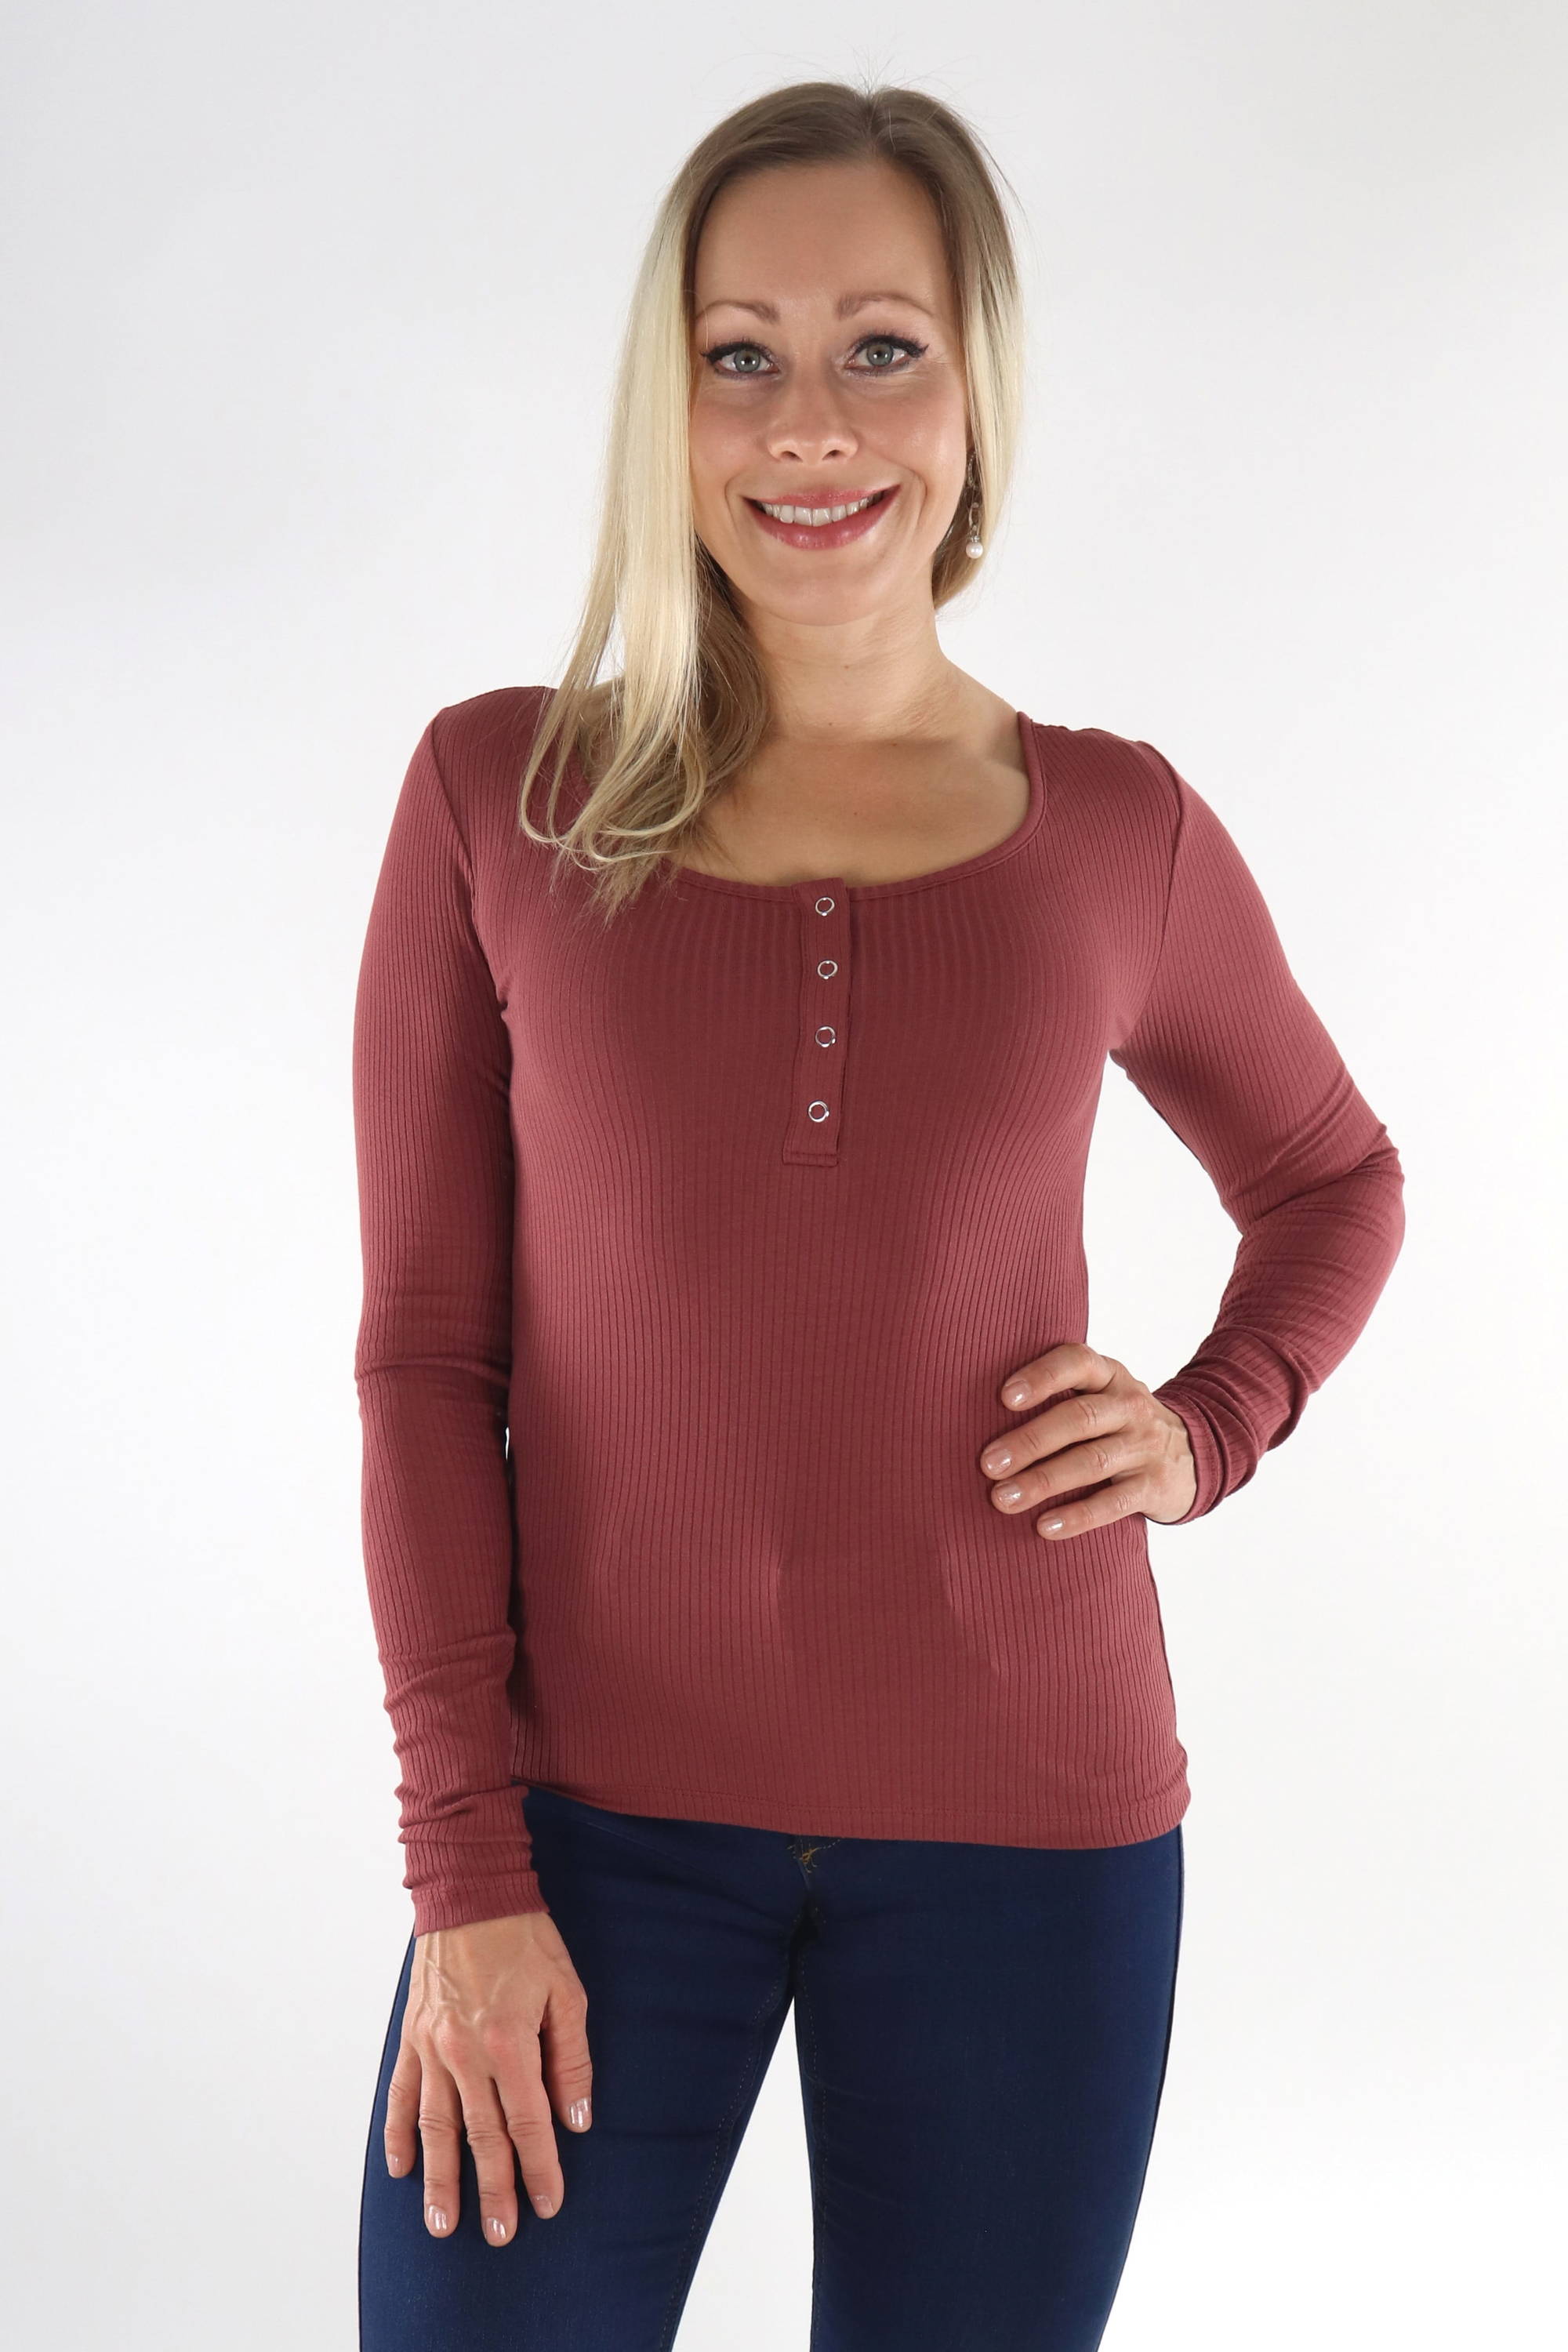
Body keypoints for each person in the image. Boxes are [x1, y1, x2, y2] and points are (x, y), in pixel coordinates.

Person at [350, 78, 1405, 2352]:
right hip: (582, 1840)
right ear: (666, 405)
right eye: (738, 353)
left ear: (976, 392)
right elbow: (426, 1362)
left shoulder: (1115, 834)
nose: (807, 423)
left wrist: (1210, 1423)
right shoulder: (500, 796)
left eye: (880, 349)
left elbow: (1334, 1178)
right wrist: (462, 1865)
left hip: (1034, 1835)